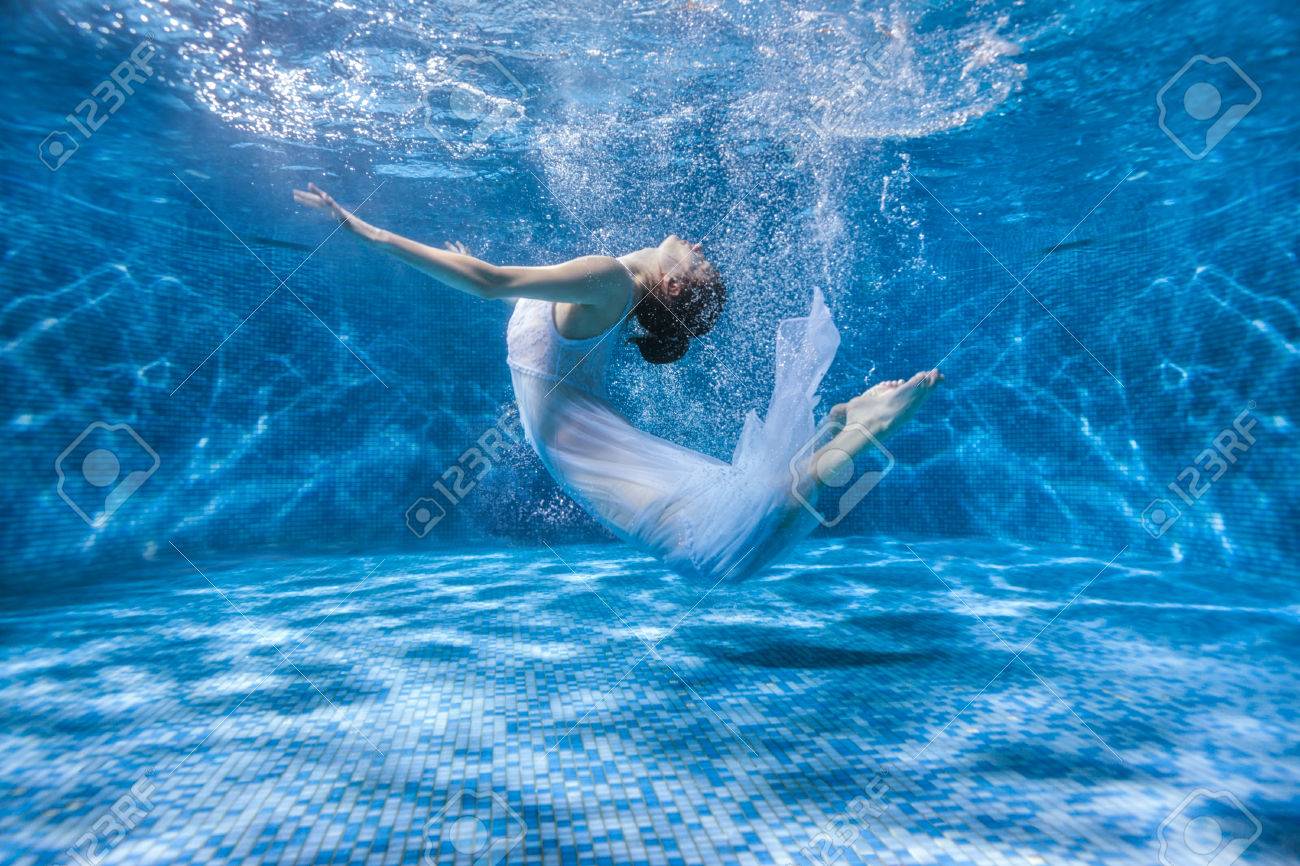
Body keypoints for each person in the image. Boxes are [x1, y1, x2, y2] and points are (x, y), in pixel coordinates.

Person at [294, 183, 942, 581]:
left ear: (675, 282)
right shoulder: (612, 288)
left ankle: (860, 430)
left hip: (580, 441)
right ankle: (840, 433)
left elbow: (492, 283)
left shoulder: (608, 279)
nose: (698, 245)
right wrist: (469, 264)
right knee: (721, 548)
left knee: (717, 551)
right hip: (578, 436)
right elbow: (504, 289)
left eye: (700, 262)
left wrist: (365, 231)